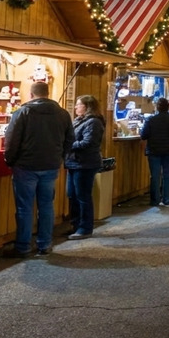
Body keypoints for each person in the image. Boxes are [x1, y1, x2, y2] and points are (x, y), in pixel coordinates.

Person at [3, 82, 73, 257]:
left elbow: (11, 140)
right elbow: (70, 140)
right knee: (46, 206)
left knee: (24, 208)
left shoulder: (23, 112)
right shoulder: (63, 114)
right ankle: (45, 244)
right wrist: (59, 157)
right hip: (50, 166)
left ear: (31, 94)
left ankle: (23, 246)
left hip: (25, 166)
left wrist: (10, 160)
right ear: (47, 93)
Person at [66, 94, 105, 239]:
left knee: (82, 196)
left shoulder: (93, 122)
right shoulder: (79, 120)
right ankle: (76, 225)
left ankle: (85, 228)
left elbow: (89, 142)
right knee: (72, 194)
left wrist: (68, 146)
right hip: (74, 162)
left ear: (87, 107)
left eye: (79, 104)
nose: (76, 107)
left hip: (85, 163)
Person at [141, 97, 169, 206]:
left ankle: (155, 200)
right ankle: (167, 199)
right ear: (168, 107)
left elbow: (143, 135)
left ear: (157, 107)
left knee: (155, 176)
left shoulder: (150, 120)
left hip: (154, 150)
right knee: (167, 175)